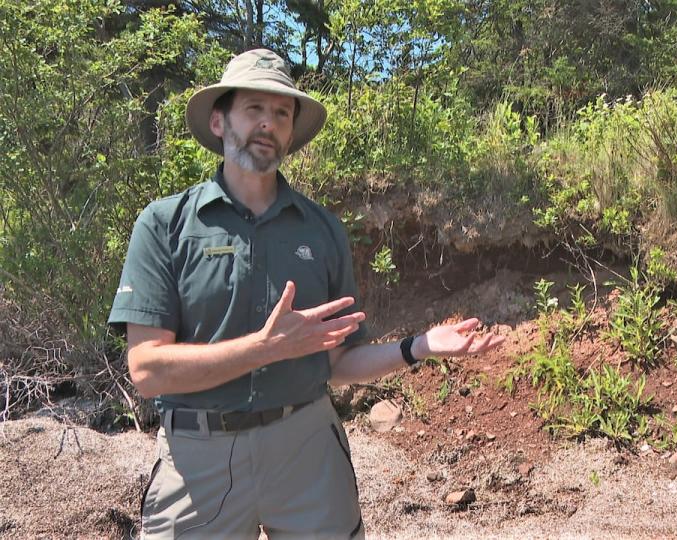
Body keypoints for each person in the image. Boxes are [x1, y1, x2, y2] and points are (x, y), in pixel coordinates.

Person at [108, 48, 505, 540]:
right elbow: (147, 370)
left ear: (291, 131)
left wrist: (417, 347)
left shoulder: (323, 231)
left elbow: (337, 364)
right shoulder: (165, 224)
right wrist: (266, 348)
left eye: (281, 113)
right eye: (253, 108)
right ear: (218, 121)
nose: (268, 124)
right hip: (198, 461)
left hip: (307, 448)